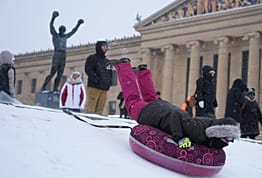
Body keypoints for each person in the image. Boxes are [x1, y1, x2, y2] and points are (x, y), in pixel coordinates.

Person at [111, 58, 240, 149]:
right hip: (153, 114)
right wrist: (179, 138)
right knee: (132, 100)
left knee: (151, 98)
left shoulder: (207, 125)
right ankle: (123, 66)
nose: (229, 142)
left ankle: (143, 72)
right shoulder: (199, 132)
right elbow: (176, 116)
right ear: (217, 132)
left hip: (161, 109)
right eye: (228, 138)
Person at [41, 11, 84, 92]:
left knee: (60, 73)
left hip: (63, 55)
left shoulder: (65, 36)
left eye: (64, 30)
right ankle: (44, 85)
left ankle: (55, 88)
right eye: (62, 30)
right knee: (53, 72)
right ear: (59, 30)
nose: (63, 31)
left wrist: (78, 24)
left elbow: (73, 31)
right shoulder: (55, 35)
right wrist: (53, 17)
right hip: (57, 54)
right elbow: (51, 26)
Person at [84, 41, 113, 115]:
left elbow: (110, 73)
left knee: (100, 108)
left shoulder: (107, 61)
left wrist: (109, 83)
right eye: (103, 46)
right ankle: (87, 123)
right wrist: (96, 80)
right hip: (94, 87)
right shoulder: (92, 58)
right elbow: (88, 70)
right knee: (91, 108)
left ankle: (97, 123)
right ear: (98, 47)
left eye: (106, 47)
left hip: (104, 88)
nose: (105, 48)